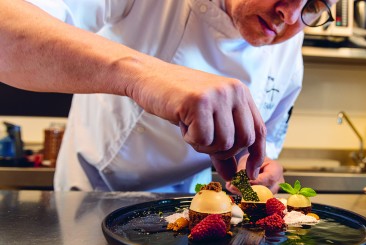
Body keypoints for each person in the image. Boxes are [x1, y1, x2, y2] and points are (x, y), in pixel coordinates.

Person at [0, 0, 337, 193]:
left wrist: (261, 172)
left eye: (316, 4)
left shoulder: (290, 51)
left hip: (193, 211)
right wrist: (144, 76)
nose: (290, 15)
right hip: (91, 197)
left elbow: (259, 154)